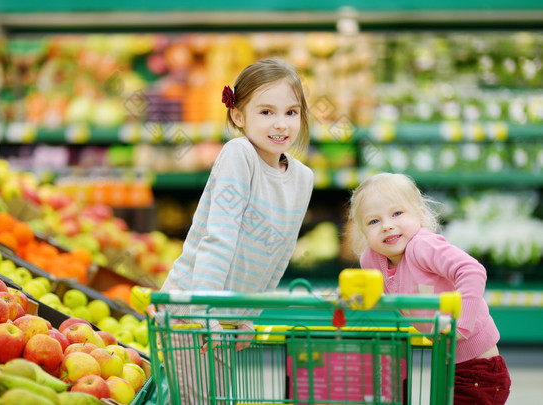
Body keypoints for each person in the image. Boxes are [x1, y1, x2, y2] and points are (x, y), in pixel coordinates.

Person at [158, 57, 314, 404]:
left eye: (291, 112)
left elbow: (279, 253)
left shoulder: (303, 178)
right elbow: (219, 238)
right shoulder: (238, 154)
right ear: (238, 116)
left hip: (224, 318)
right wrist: (204, 312)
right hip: (190, 313)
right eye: (266, 112)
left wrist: (247, 315)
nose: (280, 124)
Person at [348, 172, 511, 405]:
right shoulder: (371, 260)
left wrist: (460, 325)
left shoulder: (422, 246)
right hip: (446, 362)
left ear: (421, 216)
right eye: (374, 221)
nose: (387, 226)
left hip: (479, 368)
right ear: (363, 232)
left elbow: (472, 271)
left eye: (397, 213)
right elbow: (380, 302)